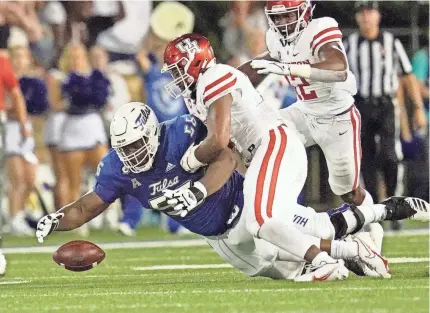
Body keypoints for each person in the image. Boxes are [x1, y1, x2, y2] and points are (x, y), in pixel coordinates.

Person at [36, 102, 428, 281]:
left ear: (153, 133)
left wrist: (198, 192)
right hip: (219, 237)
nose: (133, 155)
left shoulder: (181, 133)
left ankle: (380, 217)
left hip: (244, 203)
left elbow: (226, 157)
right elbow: (89, 205)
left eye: (138, 145)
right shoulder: (117, 168)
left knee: (316, 234)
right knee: (288, 270)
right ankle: (367, 228)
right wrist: (57, 219)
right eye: (126, 150)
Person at [161, 33, 402, 278]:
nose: (174, 77)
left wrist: (192, 159)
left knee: (259, 221)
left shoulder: (212, 78)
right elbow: (229, 147)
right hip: (263, 155)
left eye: (177, 69)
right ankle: (359, 242)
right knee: (281, 228)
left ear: (196, 62)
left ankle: (324, 260)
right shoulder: (200, 91)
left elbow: (219, 139)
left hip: (272, 145)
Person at [236, 0, 372, 212]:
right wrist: (221, 83)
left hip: (337, 117)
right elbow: (257, 68)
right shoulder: (274, 39)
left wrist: (289, 68)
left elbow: (339, 69)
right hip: (305, 110)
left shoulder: (320, 28)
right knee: (262, 139)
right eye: (277, 17)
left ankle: (375, 217)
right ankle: (275, 211)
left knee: (348, 191)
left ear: (305, 12)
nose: (282, 23)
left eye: (288, 16)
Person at [342, 1, 426, 213]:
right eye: (362, 13)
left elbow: (408, 77)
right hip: (361, 104)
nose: (366, 17)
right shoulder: (349, 45)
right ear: (357, 18)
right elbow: (339, 78)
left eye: (370, 12)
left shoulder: (391, 42)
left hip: (386, 105)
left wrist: (417, 107)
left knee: (390, 155)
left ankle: (393, 201)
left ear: (378, 16)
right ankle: (375, 208)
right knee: (366, 157)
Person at [6, 45, 49, 236]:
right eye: (15, 56)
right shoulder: (6, 79)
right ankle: (14, 217)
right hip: (10, 129)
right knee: (18, 178)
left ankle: (19, 214)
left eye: (22, 56)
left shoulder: (31, 82)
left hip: (27, 129)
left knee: (30, 179)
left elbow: (39, 108)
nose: (19, 60)